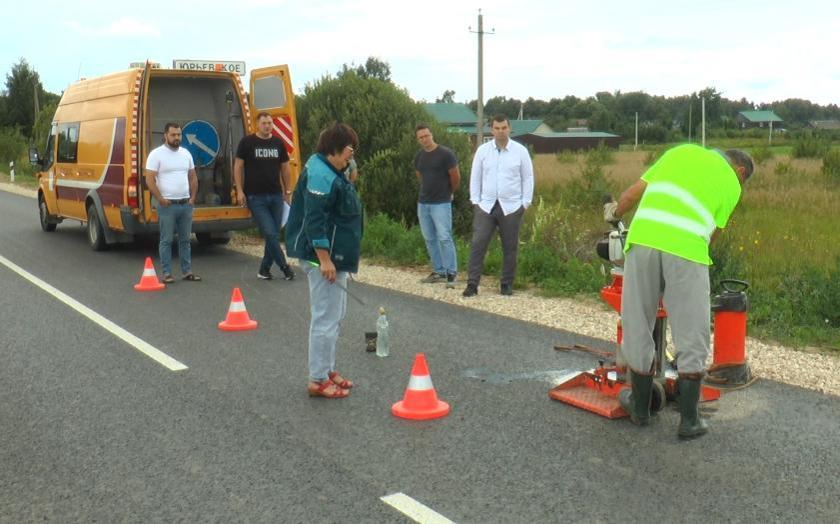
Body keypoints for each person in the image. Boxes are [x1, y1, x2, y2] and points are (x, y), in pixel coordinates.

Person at [604, 144, 754, 439]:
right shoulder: (732, 184)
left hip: (642, 241)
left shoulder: (680, 152)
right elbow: (713, 235)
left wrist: (613, 213)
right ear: (739, 171)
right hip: (687, 250)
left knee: (637, 323)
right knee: (691, 331)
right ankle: (689, 420)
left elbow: (631, 195)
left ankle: (640, 408)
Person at [285, 123, 362, 399]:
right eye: (350, 150)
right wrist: (325, 260)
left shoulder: (330, 169)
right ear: (336, 148)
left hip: (334, 257)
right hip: (321, 258)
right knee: (325, 318)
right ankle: (317, 379)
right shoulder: (319, 174)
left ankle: (327, 369)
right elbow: (315, 221)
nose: (351, 156)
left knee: (335, 316)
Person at [463, 114, 534, 297]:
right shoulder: (483, 151)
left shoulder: (520, 151)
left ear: (509, 129)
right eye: (497, 128)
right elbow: (475, 176)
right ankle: (472, 284)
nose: (500, 131)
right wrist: (475, 201)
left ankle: (506, 284)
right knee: (478, 244)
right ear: (492, 130)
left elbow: (527, 177)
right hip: (486, 206)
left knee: (510, 248)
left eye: (504, 128)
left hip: (511, 207)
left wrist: (525, 203)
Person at [234, 112, 295, 281]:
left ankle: (264, 269)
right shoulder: (247, 142)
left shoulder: (278, 143)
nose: (268, 126)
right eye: (264, 123)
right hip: (255, 197)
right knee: (270, 232)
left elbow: (285, 168)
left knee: (273, 234)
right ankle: (285, 267)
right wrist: (239, 190)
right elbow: (238, 167)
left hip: (276, 195)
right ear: (257, 125)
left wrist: (288, 191)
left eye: (270, 123)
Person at [145, 122, 201, 284]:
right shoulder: (156, 155)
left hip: (185, 204)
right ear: (165, 135)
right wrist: (160, 199)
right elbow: (150, 180)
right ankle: (167, 273)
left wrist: (192, 198)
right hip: (167, 205)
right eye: (173, 135)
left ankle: (187, 271)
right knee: (167, 240)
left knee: (185, 240)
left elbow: (192, 177)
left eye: (179, 135)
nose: (177, 138)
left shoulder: (186, 154)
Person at [414, 124, 461, 288]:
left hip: (441, 202)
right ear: (418, 139)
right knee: (429, 238)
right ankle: (439, 270)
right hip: (423, 203)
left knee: (444, 237)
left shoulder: (446, 154)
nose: (424, 139)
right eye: (421, 137)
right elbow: (420, 175)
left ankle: (451, 272)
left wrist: (449, 192)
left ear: (431, 134)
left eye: (426, 136)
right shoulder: (419, 156)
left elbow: (455, 176)